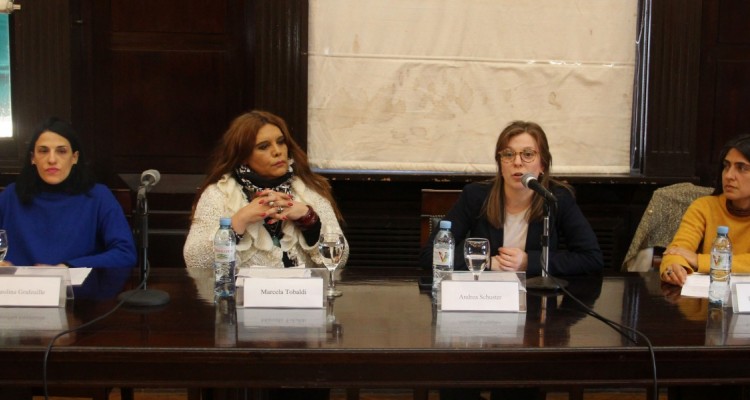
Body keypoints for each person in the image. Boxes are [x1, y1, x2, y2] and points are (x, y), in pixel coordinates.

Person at [419, 120, 603, 277]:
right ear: (500, 163)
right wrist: (486, 262)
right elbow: (431, 255)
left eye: (528, 154)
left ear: (543, 165)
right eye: (508, 154)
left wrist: (530, 262)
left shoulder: (556, 198)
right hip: (484, 299)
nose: (517, 162)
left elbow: (591, 259)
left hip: (536, 303)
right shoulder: (475, 195)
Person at [184, 110, 347, 272]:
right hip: (241, 296)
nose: (277, 151)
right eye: (263, 146)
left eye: (281, 142)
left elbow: (339, 261)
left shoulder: (308, 190)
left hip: (300, 295)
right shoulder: (218, 194)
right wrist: (239, 221)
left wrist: (308, 219)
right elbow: (197, 262)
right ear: (243, 156)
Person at [0, 117, 136, 268]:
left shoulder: (98, 196)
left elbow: (125, 253)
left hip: (77, 289)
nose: (51, 159)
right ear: (33, 158)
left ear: (74, 158)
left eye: (61, 151)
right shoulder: (11, 195)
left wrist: (68, 268)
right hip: (20, 289)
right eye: (43, 151)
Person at [660, 134, 750, 286]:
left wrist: (698, 260)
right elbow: (678, 249)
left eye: (742, 168)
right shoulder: (704, 206)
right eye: (726, 166)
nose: (729, 176)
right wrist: (674, 266)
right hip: (709, 298)